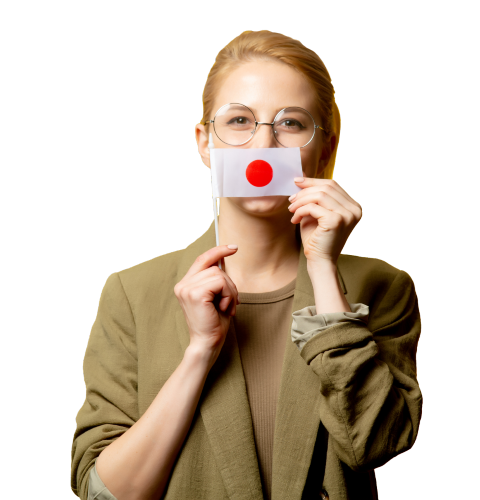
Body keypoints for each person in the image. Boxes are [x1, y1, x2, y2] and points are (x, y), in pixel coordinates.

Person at [70, 30, 422, 500]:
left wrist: (322, 269)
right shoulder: (132, 293)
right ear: (204, 144)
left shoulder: (382, 285)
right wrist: (199, 352)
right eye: (239, 120)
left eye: (291, 124)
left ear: (326, 148)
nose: (263, 145)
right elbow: (102, 493)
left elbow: (376, 446)